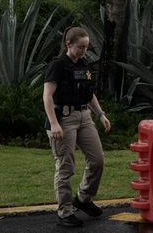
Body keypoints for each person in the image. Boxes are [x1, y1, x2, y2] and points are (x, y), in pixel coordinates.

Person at [42, 27, 111, 227]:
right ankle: (65, 211)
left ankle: (83, 198)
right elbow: (47, 96)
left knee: (97, 160)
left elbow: (89, 94)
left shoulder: (84, 65)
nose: (83, 51)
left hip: (84, 116)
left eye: (86, 47)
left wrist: (101, 114)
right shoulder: (58, 65)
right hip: (63, 118)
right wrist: (54, 123)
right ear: (68, 44)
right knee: (65, 165)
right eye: (80, 47)